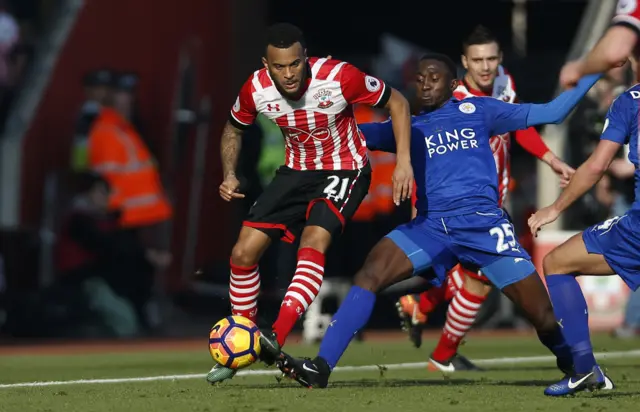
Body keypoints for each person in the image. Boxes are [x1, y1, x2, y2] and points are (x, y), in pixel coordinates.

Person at [273, 54, 610, 392]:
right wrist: (300, 118)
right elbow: (347, 136)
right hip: (432, 228)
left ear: (452, 85)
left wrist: (597, 69)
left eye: (434, 77)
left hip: (483, 227)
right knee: (371, 273)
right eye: (420, 78)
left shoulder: (480, 110)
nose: (425, 83)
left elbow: (553, 112)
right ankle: (321, 367)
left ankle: (576, 365)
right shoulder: (407, 127)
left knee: (543, 317)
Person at [208, 23, 414, 384]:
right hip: (296, 172)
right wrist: (229, 172)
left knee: (313, 241)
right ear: (265, 64)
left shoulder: (339, 77)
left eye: (294, 64)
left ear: (306, 58)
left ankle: (275, 335)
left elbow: (398, 101)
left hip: (345, 169)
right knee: (242, 254)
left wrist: (403, 163)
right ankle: (242, 339)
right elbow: (232, 128)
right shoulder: (255, 88)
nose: (288, 74)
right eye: (279, 67)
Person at [395, 26, 575, 372]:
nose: (485, 66)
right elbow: (424, 149)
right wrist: (418, 200)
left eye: (491, 58)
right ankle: (441, 350)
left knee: (471, 277)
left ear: (500, 59)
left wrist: (551, 159)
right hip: (458, 205)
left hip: (493, 199)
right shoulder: (451, 97)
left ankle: (423, 310)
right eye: (477, 59)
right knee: (478, 280)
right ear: (464, 62)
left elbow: (519, 125)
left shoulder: (505, 84)